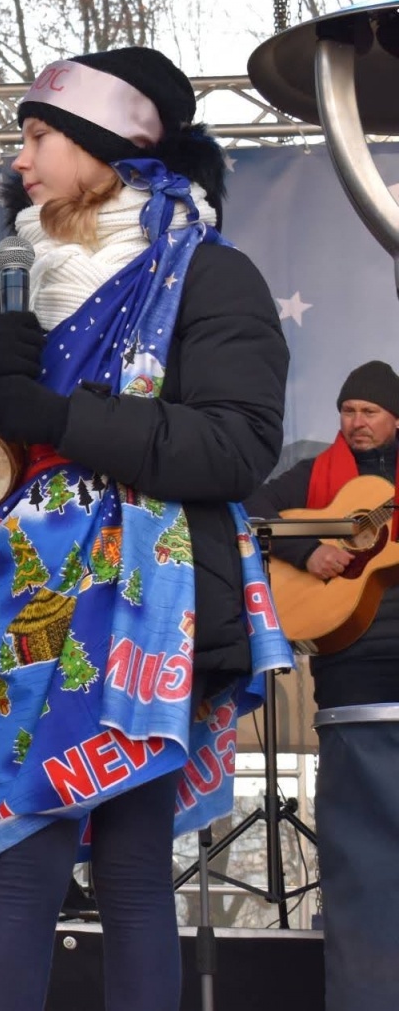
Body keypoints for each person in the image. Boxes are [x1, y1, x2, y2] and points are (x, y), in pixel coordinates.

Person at [0, 47, 292, 1011]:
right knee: (23, 864)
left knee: (135, 877)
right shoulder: (23, 284)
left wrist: (61, 420)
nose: (18, 163)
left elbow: (237, 447)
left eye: (38, 137)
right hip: (22, 607)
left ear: (107, 145)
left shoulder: (213, 276)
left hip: (153, 607)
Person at [245, 360, 399, 1011]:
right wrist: (310, 553)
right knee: (363, 875)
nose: (355, 422)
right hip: (352, 688)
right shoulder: (314, 477)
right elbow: (248, 511)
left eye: (369, 411)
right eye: (347, 410)